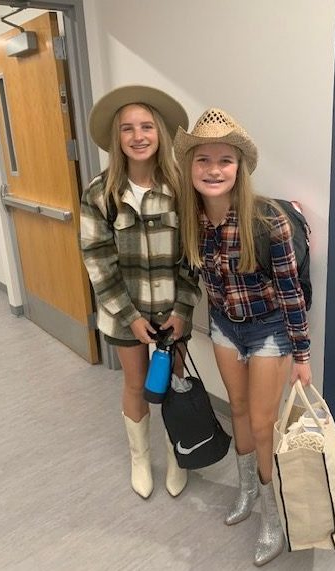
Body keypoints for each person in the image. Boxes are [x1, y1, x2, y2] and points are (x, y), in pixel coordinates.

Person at [174, 108, 312, 566]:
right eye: (203, 160)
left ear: (240, 168)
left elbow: (292, 293)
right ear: (190, 166)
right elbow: (194, 279)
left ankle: (272, 516)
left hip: (270, 329)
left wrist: (303, 355)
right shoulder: (191, 219)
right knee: (236, 411)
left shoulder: (267, 218)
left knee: (260, 423)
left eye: (225, 160)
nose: (213, 170)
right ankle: (247, 493)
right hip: (225, 327)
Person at [80, 85, 201, 500]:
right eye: (128, 128)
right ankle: (140, 457)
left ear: (159, 133)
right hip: (123, 314)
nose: (137, 136)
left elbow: (193, 256)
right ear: (117, 138)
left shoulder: (182, 189)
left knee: (174, 380)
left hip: (173, 314)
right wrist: (130, 315)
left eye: (146, 126)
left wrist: (183, 309)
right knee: (135, 384)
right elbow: (97, 259)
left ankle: (175, 454)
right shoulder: (101, 193)